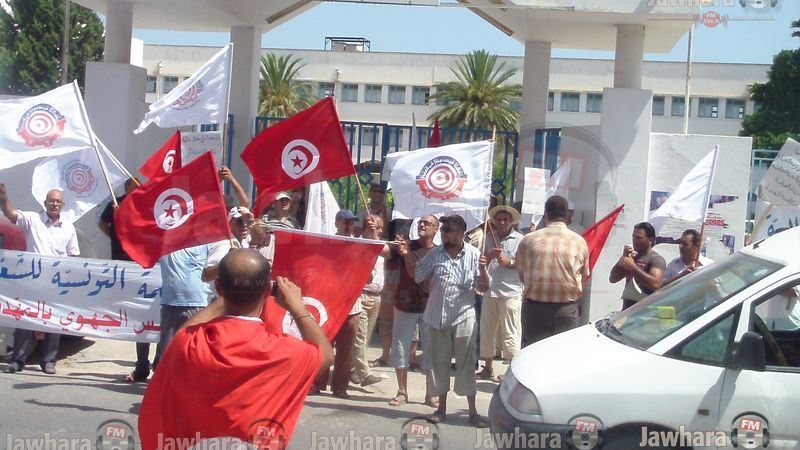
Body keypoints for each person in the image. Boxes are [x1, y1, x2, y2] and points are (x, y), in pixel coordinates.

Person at [138, 249, 333, 450]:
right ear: (268, 290)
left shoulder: (189, 343)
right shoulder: (287, 352)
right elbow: (325, 355)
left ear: (218, 287)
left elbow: (182, 333)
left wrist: (227, 295)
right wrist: (297, 307)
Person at [414, 214, 490, 427]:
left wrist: (483, 269)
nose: (444, 233)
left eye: (448, 229)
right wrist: (405, 255)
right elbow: (418, 274)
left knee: (466, 364)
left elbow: (484, 288)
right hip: (437, 317)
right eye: (443, 229)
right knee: (439, 364)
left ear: (461, 233)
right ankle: (441, 408)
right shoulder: (435, 253)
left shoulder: (474, 254)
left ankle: (473, 412)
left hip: (464, 316)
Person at [0, 184, 80, 374]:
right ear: (45, 203)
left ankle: (48, 361)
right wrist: (3, 199)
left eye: (58, 201)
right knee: (25, 320)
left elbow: (75, 257)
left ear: (63, 205)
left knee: (53, 322)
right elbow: (11, 214)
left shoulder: (68, 228)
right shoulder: (32, 220)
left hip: (56, 284)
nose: (55, 204)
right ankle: (17, 361)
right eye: (51, 201)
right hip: (31, 281)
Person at [516, 195, 589, 347]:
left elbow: (521, 274)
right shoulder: (579, 241)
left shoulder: (528, 240)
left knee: (535, 353)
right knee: (563, 354)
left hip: (535, 310)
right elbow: (584, 275)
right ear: (567, 215)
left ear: (546, 214)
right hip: (567, 311)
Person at [99, 177, 152, 382]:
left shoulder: (145, 204)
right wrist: (115, 235)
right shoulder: (115, 203)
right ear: (126, 189)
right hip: (121, 258)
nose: (137, 191)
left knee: (147, 313)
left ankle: (154, 363)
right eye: (133, 188)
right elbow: (103, 224)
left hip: (142, 262)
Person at [387, 215, 439, 408]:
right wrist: (375, 233)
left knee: (431, 351)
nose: (422, 225)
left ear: (436, 229)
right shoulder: (405, 246)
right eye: (421, 222)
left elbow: (420, 275)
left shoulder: (439, 252)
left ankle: (430, 394)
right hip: (405, 306)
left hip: (430, 308)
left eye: (427, 223)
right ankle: (402, 392)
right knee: (400, 348)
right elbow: (382, 250)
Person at [311, 209, 361, 398]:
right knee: (323, 344)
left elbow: (368, 272)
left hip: (352, 306)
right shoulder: (327, 244)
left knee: (346, 350)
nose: (349, 226)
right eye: (346, 222)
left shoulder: (360, 246)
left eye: (351, 222)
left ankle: (340, 386)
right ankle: (317, 382)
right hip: (329, 304)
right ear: (337, 223)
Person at [477, 206, 524, 382]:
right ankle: (487, 368)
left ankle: (511, 373)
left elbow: (525, 264)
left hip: (511, 291)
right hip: (490, 290)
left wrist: (508, 262)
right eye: (499, 219)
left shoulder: (520, 240)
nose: (502, 222)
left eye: (505, 219)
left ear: (511, 221)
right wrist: (490, 256)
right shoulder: (488, 238)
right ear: (494, 221)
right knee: (487, 331)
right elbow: (481, 261)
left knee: (510, 332)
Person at [350, 215, 387, 388]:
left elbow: (387, 252)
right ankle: (365, 374)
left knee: (365, 339)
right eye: (376, 227)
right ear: (367, 227)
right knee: (360, 337)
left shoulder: (381, 245)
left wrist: (375, 236)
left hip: (376, 297)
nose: (380, 231)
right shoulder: (358, 243)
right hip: (361, 295)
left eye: (381, 228)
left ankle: (354, 371)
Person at [609, 222, 666, 310]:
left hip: (645, 311)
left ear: (650, 240)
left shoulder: (656, 259)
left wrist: (633, 267)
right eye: (633, 237)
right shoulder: (633, 258)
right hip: (627, 309)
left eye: (639, 238)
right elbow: (613, 279)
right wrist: (624, 257)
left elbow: (655, 285)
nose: (634, 241)